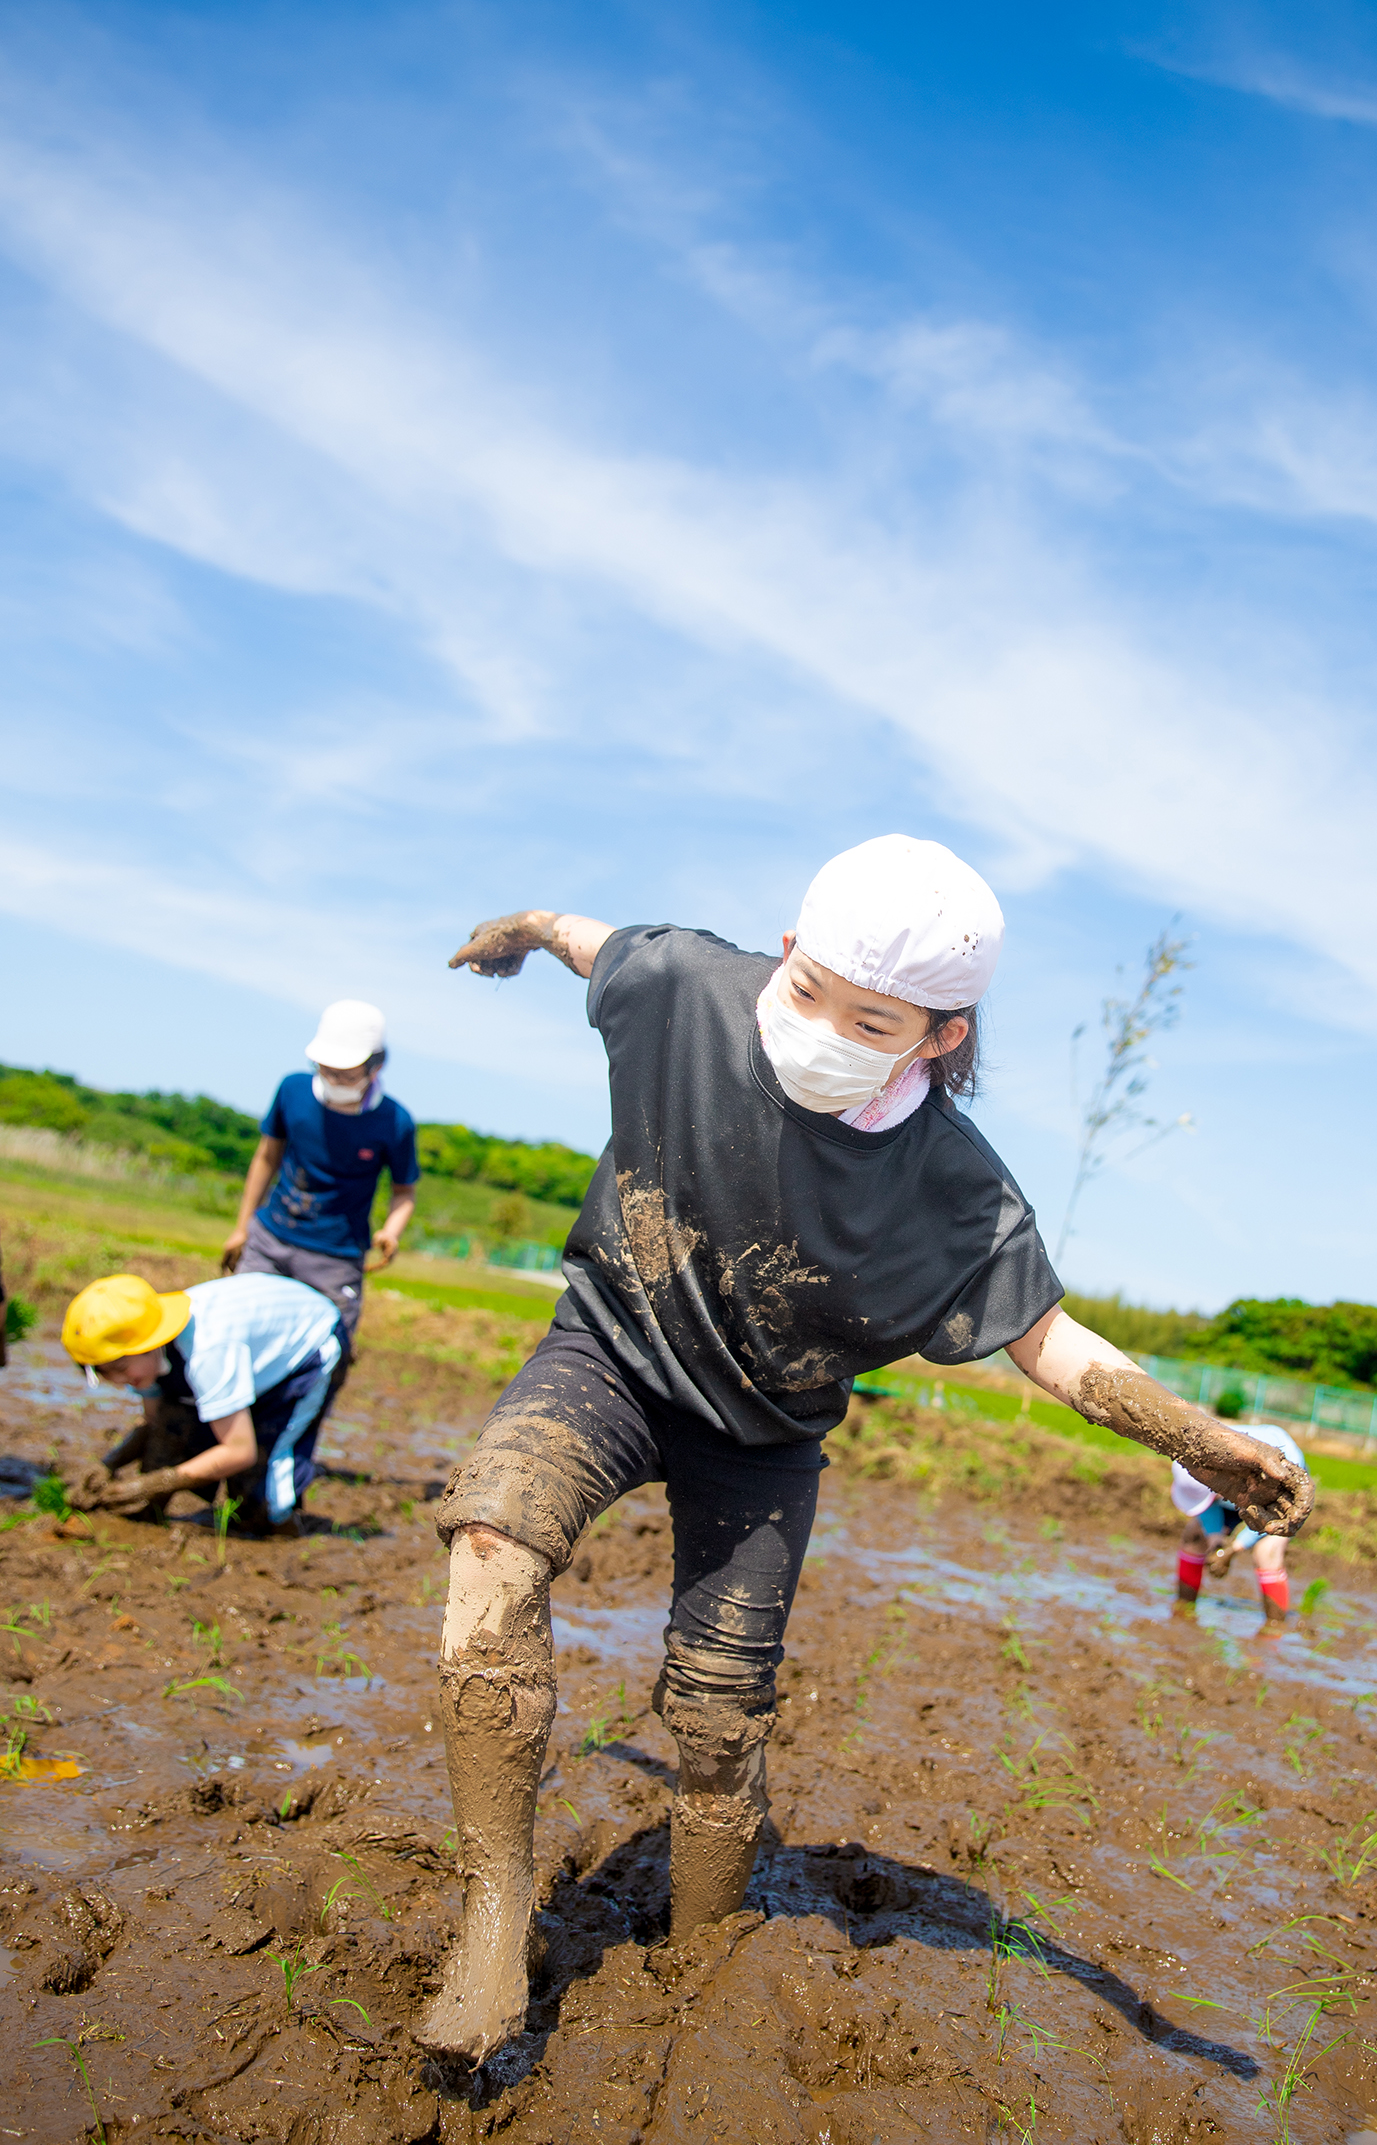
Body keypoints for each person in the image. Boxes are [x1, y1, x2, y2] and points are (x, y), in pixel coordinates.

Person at [417, 835, 1313, 2064]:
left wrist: (1191, 1434)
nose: (823, 1029)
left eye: (872, 1020)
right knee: (492, 1540)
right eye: (808, 992)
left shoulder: (953, 1183)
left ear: (940, 1036)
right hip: (612, 1350)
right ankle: (491, 1912)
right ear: (786, 954)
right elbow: (582, 930)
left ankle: (703, 1953)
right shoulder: (684, 985)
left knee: (722, 1716)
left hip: (765, 1434)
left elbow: (1043, 1338)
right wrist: (512, 933)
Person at [60, 1271, 347, 1532]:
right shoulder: (148, 1356)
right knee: (169, 1429)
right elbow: (153, 1422)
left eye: (122, 1371)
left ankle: (286, 1526)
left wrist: (152, 1484)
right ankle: (151, 1514)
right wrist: (108, 1464)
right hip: (246, 1348)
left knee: (262, 1505)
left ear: (148, 1344)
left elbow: (239, 1450)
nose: (121, 1382)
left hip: (308, 1346)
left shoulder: (207, 1353)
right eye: (109, 1376)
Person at [221, 999, 419, 1356]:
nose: (333, 1080)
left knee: (326, 1354)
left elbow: (404, 1192)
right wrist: (242, 1226)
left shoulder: (394, 1122)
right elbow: (267, 1158)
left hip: (336, 1258)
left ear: (376, 1066)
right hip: (271, 1239)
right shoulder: (292, 1091)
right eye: (325, 1069)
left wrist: (391, 1230)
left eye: (345, 1074)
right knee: (237, 1336)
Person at [1172, 1413, 1310, 1619]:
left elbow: (1276, 1515)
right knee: (1195, 1535)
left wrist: (1235, 1548)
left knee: (1267, 1553)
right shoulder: (1204, 1453)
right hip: (1233, 1497)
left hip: (1278, 1501)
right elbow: (1206, 1505)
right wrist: (1214, 1537)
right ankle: (1183, 1611)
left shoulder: (1279, 1465)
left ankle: (1275, 1627)